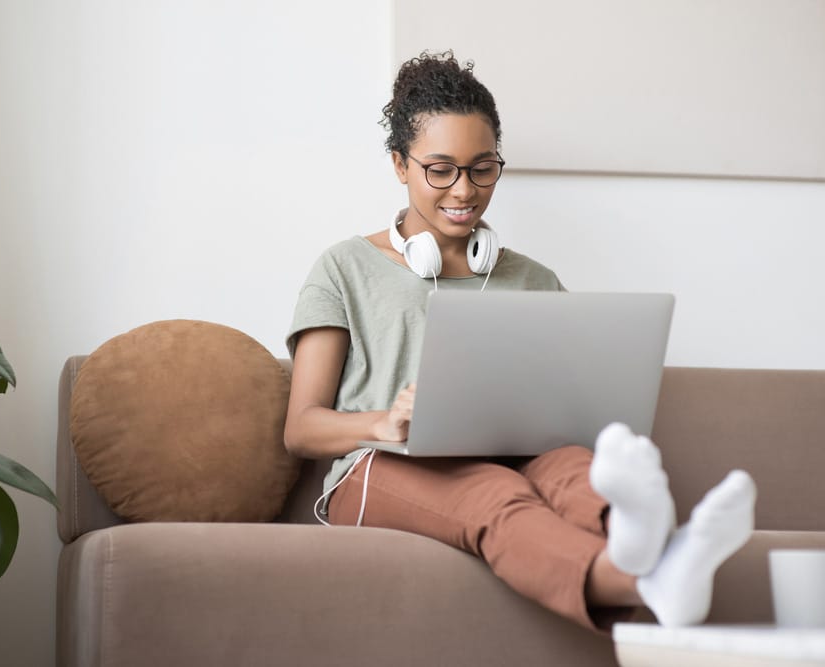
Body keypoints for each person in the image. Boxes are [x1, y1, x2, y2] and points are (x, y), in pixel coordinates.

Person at [283, 50, 757, 632]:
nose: (464, 190)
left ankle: (637, 536)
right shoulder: (344, 267)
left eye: (483, 168)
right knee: (493, 494)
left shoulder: (532, 278)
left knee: (574, 468)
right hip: (378, 467)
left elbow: (572, 397)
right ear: (399, 166)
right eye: (440, 169)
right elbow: (301, 427)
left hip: (514, 456)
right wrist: (381, 422)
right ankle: (650, 578)